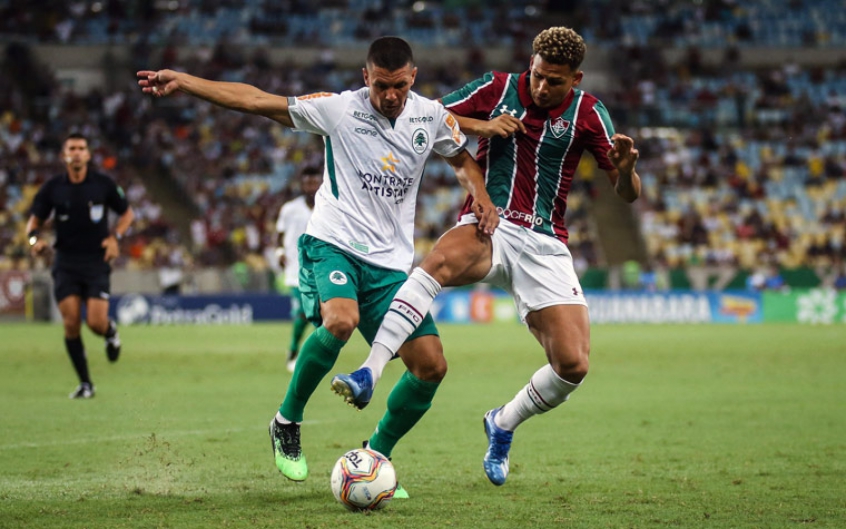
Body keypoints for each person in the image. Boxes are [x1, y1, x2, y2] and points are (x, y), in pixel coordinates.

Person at [137, 36, 498, 491]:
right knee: (341, 321)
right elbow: (255, 100)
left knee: (431, 367)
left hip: (389, 267)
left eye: (400, 86)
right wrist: (186, 82)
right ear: (365, 77)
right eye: (381, 85)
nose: (391, 96)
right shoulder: (338, 109)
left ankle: (374, 456)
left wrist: (480, 196)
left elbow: (461, 157)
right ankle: (286, 422)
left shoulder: (430, 116)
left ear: (414, 78)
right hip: (333, 244)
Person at [332, 26, 641, 486]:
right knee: (434, 264)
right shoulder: (497, 88)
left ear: (574, 79)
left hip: (546, 243)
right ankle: (368, 372)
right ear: (530, 63)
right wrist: (483, 125)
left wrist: (628, 169)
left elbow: (627, 195)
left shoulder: (591, 114)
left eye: (553, 81)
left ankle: (502, 423)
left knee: (573, 364)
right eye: (536, 75)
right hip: (490, 224)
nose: (540, 86)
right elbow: (430, 119)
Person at [26, 133, 135, 399]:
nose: (76, 152)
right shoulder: (52, 188)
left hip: (96, 261)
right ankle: (86, 384)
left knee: (95, 323)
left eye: (81, 148)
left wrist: (115, 237)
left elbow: (127, 214)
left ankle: (110, 333)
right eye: (72, 148)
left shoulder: (103, 184)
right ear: (64, 155)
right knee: (71, 324)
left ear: (88, 155)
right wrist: (34, 242)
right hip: (65, 262)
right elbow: (33, 227)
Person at [275, 165, 322, 373]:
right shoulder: (289, 209)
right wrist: (279, 252)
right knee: (304, 311)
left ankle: (311, 355)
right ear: (301, 185)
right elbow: (278, 234)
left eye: (314, 182)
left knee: (319, 316)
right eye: (307, 182)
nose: (311, 186)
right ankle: (294, 351)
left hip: (321, 269)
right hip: (296, 270)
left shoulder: (328, 207)